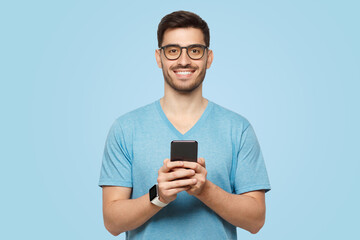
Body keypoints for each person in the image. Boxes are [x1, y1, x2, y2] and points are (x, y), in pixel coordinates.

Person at [99, 10, 271, 240]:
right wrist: (158, 195)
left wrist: (205, 190)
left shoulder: (238, 129)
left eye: (194, 50)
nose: (183, 60)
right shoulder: (125, 128)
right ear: (159, 57)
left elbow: (256, 220)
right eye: (172, 51)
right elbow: (112, 222)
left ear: (208, 58)